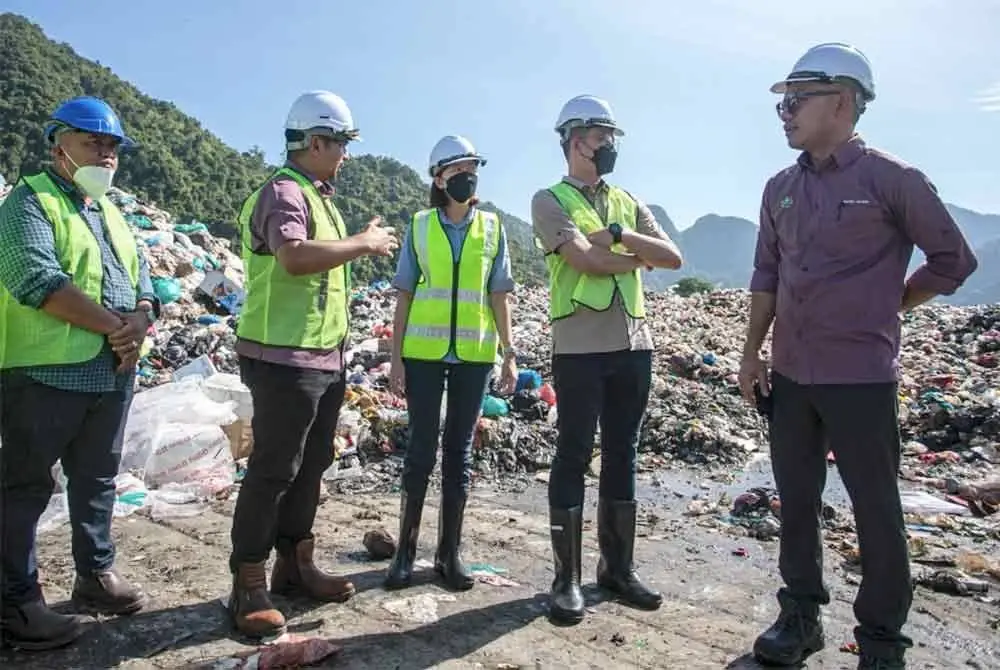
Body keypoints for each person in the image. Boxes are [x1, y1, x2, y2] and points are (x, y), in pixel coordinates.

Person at [739, 43, 978, 670]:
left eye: (796, 99)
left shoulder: (892, 180)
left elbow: (954, 261)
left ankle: (880, 643)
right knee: (795, 498)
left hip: (861, 378)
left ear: (841, 101)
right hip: (790, 374)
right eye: (782, 103)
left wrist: (891, 302)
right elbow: (766, 273)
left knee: (876, 509)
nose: (784, 112)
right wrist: (751, 354)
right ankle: (799, 617)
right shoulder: (779, 189)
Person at [228, 90, 398, 638]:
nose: (347, 155)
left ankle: (294, 564)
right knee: (275, 468)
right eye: (343, 144)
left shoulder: (320, 196)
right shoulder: (284, 192)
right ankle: (247, 581)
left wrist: (356, 240)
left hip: (324, 356)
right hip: (281, 355)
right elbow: (295, 257)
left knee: (313, 462)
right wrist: (363, 243)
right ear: (316, 141)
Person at [0, 96, 156, 650]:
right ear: (58, 142)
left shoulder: (110, 211)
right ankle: (17, 604)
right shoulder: (29, 202)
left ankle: (95, 575)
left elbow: (144, 282)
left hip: (111, 375)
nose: (106, 155)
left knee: (96, 482)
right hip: (45, 374)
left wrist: (139, 317)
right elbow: (35, 278)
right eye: (95, 143)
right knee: (23, 489)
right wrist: (118, 326)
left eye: (113, 147)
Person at [531, 95, 684, 624]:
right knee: (573, 452)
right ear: (576, 141)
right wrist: (632, 256)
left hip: (633, 345)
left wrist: (620, 236)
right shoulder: (549, 200)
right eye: (603, 137)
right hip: (578, 346)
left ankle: (617, 569)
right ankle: (565, 578)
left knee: (625, 452)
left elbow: (672, 257)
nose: (611, 146)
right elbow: (586, 262)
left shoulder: (626, 202)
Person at [384, 135, 518, 591]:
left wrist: (509, 354)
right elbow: (404, 294)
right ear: (439, 179)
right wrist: (395, 359)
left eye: (471, 169)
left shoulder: (493, 228)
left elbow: (499, 294)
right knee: (421, 448)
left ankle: (449, 555)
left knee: (459, 453)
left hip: (475, 355)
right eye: (457, 171)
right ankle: (404, 552)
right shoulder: (420, 225)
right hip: (422, 354)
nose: (467, 177)